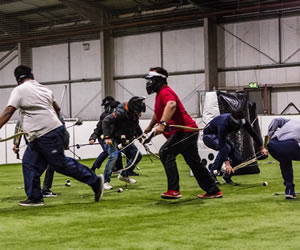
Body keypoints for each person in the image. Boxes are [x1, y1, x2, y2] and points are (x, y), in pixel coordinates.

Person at [0, 65, 104, 206]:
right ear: (31, 75)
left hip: (46, 134)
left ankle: (94, 181)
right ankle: (35, 198)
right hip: (42, 134)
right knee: (29, 164)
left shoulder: (20, 90)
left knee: (59, 163)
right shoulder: (44, 89)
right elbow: (57, 109)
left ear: (17, 79)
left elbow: (8, 111)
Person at [144, 67, 222, 199]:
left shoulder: (165, 92)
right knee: (194, 163)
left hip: (185, 131)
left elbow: (171, 105)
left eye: (150, 80)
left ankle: (174, 190)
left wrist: (162, 124)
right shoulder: (160, 94)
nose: (148, 84)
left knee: (166, 152)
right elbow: (159, 113)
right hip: (187, 131)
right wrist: (150, 126)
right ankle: (213, 190)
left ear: (158, 80)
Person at [202, 111, 268, 184]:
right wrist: (227, 164)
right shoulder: (223, 124)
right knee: (227, 148)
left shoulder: (243, 121)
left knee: (238, 159)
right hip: (209, 136)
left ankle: (227, 176)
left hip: (220, 137)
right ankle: (212, 175)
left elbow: (253, 133)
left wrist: (262, 148)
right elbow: (221, 145)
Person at [13, 117, 70, 198]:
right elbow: (19, 128)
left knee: (49, 165)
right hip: (36, 144)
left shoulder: (56, 115)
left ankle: (42, 189)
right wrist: (16, 144)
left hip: (48, 144)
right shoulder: (26, 115)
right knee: (37, 166)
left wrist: (64, 144)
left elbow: (63, 132)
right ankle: (40, 190)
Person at [102, 96, 144, 188]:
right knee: (114, 156)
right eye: (138, 112)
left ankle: (124, 175)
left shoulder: (133, 115)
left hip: (125, 138)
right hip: (113, 137)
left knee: (137, 156)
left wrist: (140, 135)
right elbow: (105, 121)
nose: (139, 114)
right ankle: (105, 182)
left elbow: (136, 125)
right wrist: (107, 137)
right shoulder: (120, 113)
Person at [267, 117, 300, 199]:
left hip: (273, 145)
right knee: (286, 157)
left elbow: (275, 120)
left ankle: (289, 191)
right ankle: (289, 190)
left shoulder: (291, 121)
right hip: (290, 145)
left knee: (285, 161)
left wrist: (269, 138)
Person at [89, 96, 123, 174]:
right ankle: (93, 168)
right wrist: (93, 138)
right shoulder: (104, 115)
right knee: (107, 151)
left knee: (116, 151)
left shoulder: (116, 115)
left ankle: (118, 169)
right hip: (103, 137)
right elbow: (98, 128)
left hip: (111, 137)